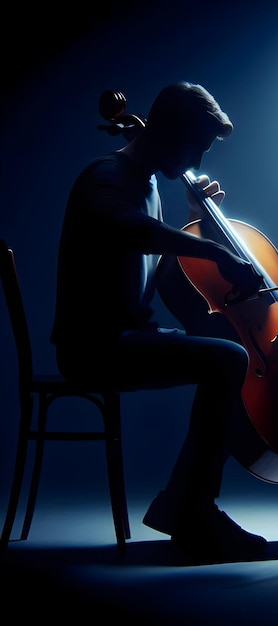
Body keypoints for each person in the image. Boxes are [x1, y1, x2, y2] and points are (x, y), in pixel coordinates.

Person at [51, 81, 267, 560]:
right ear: (169, 130)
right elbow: (130, 230)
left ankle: (188, 504)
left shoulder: (149, 187)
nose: (199, 158)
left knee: (232, 358)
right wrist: (208, 247)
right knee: (228, 361)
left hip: (129, 336)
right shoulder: (106, 175)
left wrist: (197, 219)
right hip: (95, 346)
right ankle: (192, 508)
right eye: (198, 145)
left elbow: (162, 274)